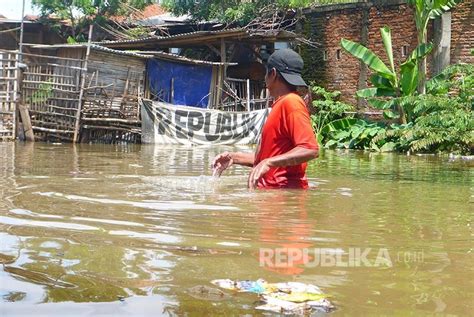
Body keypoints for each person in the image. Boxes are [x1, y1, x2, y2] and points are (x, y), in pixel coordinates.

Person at [212, 48, 319, 189]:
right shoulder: (280, 105)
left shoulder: (291, 102)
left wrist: (269, 163)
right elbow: (266, 159)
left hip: (282, 198)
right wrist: (234, 158)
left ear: (273, 73)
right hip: (270, 196)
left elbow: (310, 149)